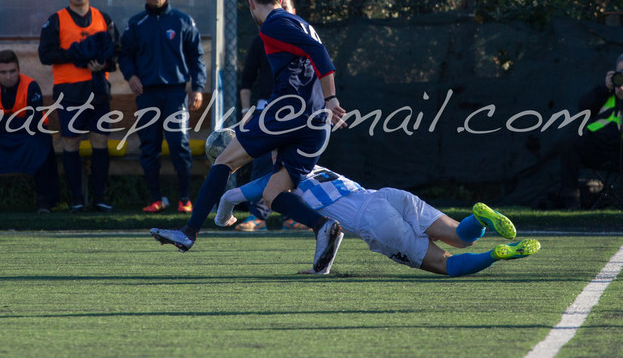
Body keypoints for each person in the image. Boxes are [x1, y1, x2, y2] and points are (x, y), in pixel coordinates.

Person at [151, 0, 347, 274]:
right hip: (317, 124)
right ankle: (323, 227)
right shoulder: (299, 22)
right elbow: (315, 51)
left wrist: (332, 97)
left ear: (252, 4)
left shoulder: (273, 25)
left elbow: (317, 52)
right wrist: (328, 102)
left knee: (224, 162)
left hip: (288, 114)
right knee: (274, 194)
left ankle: (188, 232)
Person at [215, 165, 541, 275]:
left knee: (446, 264)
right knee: (461, 235)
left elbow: (231, 197)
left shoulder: (276, 177)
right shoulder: (314, 163)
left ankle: (495, 255)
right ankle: (479, 217)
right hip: (386, 195)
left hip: (374, 220)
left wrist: (222, 218)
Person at [118, 0, 206, 215]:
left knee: (179, 146)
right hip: (147, 94)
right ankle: (156, 199)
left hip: (176, 95)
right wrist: (131, 76)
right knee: (149, 147)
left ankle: (185, 199)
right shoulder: (136, 23)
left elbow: (196, 57)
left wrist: (197, 88)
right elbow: (124, 54)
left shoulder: (183, 21)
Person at [38, 0, 118, 213]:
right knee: (70, 142)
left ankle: (100, 198)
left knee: (100, 141)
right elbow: (45, 54)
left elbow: (116, 53)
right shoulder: (56, 20)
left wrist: (102, 64)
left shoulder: (103, 18)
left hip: (98, 90)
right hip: (69, 91)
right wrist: (78, 55)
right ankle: (76, 199)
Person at [237, 0, 310, 232]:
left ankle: (295, 216)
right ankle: (258, 216)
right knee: (261, 161)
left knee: (294, 164)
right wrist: (247, 110)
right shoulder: (262, 39)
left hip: (298, 112)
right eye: (279, 6)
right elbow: (247, 79)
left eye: (286, 6)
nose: (282, 11)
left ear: (294, 12)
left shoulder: (304, 39)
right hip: (266, 109)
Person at [0, 50, 59, 214]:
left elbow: (33, 122)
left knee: (43, 144)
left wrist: (5, 123)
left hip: (27, 134)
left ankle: (45, 201)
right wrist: (13, 123)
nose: (8, 76)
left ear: (19, 69)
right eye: (3, 72)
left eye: (12, 71)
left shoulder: (31, 86)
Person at [548, 54, 623, 210]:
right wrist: (606, 89)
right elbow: (584, 107)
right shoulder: (603, 93)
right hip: (598, 149)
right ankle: (571, 202)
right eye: (620, 73)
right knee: (570, 142)